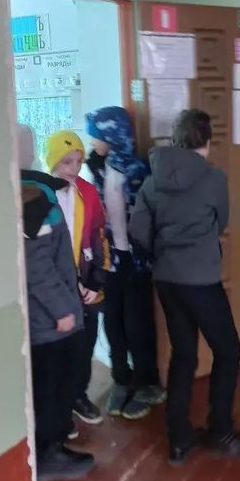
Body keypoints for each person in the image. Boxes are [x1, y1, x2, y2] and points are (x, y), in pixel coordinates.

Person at [130, 109, 240, 465]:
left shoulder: (152, 180)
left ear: (175, 139)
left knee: (184, 353)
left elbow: (138, 229)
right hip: (201, 279)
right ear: (207, 140)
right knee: (228, 350)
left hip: (166, 278)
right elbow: (221, 221)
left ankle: (179, 439)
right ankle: (221, 431)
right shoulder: (213, 179)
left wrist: (163, 250)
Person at [17, 125, 95, 479]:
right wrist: (63, 309)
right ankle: (50, 452)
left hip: (48, 307)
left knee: (55, 379)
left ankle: (52, 445)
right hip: (47, 316)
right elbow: (37, 266)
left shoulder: (31, 188)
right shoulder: (33, 194)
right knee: (53, 382)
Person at [85, 107, 165, 420]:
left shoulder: (137, 169)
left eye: (97, 136)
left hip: (136, 261)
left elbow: (148, 216)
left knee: (137, 324)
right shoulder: (98, 168)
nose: (92, 143)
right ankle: (121, 377)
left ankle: (148, 382)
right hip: (110, 260)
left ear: (113, 135)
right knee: (113, 321)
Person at [45, 130, 111, 430]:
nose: (73, 168)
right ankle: (58, 408)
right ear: (52, 162)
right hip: (57, 287)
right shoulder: (40, 196)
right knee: (59, 349)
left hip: (86, 284)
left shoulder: (88, 193)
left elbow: (99, 236)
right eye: (66, 162)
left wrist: (96, 280)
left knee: (85, 343)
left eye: (78, 161)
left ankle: (78, 395)